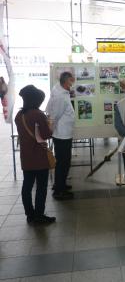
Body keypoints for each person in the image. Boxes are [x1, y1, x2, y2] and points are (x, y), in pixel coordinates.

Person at [15, 85, 56, 224]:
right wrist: (50, 125)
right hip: (39, 156)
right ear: (36, 100)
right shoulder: (38, 114)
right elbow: (46, 134)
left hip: (26, 156)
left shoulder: (19, 115)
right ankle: (39, 215)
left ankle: (30, 215)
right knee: (41, 187)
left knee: (27, 186)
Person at [46, 72, 75, 200]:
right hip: (62, 134)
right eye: (70, 81)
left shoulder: (59, 90)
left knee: (63, 162)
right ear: (65, 81)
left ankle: (60, 184)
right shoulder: (60, 96)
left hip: (63, 133)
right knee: (63, 162)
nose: (72, 83)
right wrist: (51, 130)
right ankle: (59, 190)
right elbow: (54, 116)